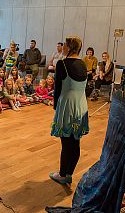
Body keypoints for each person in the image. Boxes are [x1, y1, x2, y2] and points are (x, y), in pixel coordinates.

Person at [50, 36, 89, 184]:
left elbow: (58, 88)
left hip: (67, 104)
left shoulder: (62, 64)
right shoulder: (83, 64)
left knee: (66, 143)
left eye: (65, 44)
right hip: (81, 105)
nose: (63, 47)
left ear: (70, 47)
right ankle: (69, 173)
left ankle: (62, 174)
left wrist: (55, 107)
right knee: (75, 142)